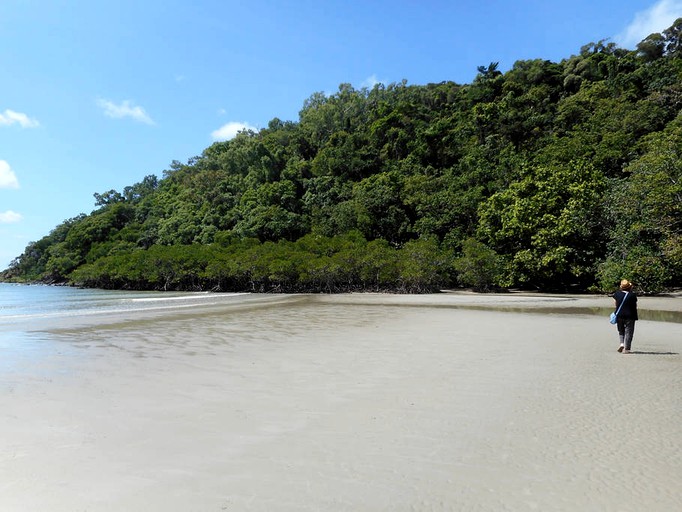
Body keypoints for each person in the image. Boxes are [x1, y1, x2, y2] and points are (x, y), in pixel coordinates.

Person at [613, 279, 638, 354]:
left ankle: (622, 344)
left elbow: (615, 304)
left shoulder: (617, 294)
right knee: (629, 332)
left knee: (621, 330)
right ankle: (627, 349)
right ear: (629, 287)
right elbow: (635, 305)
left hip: (620, 315)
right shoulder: (632, 295)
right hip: (630, 316)